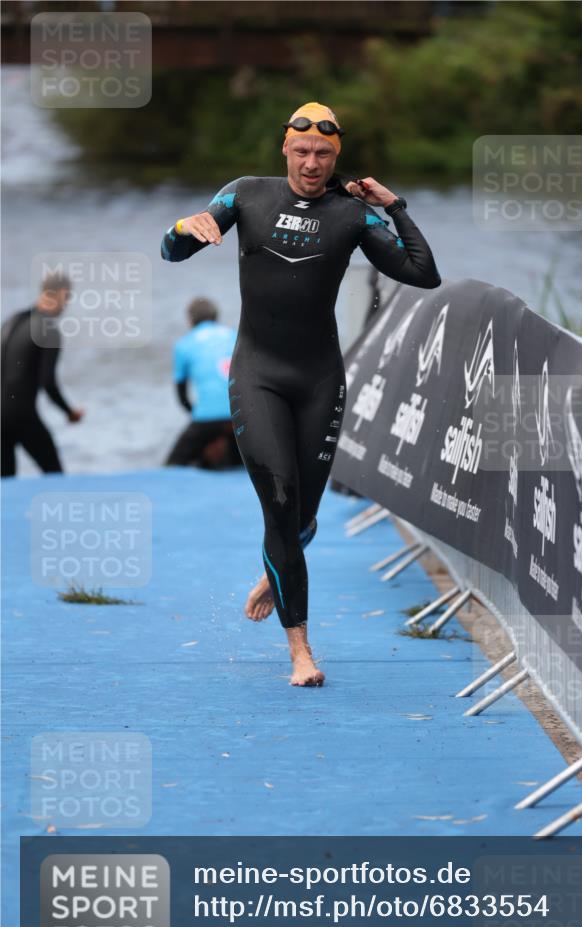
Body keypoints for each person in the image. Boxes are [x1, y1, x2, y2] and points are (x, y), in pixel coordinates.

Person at [161, 101, 441, 686]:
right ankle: (301, 652)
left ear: (336, 157)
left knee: (303, 517)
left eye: (324, 155)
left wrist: (393, 206)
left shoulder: (352, 215)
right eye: (303, 151)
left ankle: (276, 565)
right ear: (283, 147)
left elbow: (422, 273)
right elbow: (172, 250)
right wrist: (185, 227)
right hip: (258, 373)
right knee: (281, 504)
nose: (312, 163)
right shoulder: (244, 195)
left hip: (319, 379)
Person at [1, 273, 83, 478]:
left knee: (5, 484)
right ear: (62, 294)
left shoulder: (11, 321)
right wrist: (69, 412)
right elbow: (48, 382)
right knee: (55, 476)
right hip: (21, 414)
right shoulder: (49, 330)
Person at [165, 296, 241, 469]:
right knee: (240, 465)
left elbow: (182, 395)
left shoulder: (184, 344)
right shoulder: (234, 335)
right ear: (216, 316)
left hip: (207, 417)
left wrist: (197, 415)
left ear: (190, 320)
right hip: (239, 415)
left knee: (172, 466)